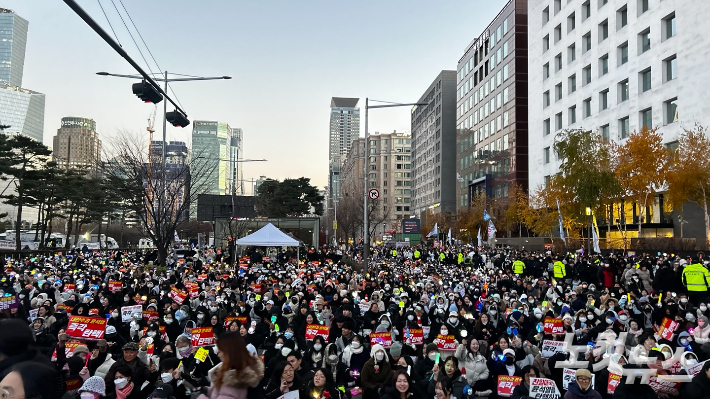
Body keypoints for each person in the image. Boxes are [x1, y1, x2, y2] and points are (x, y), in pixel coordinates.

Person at [197, 331, 264, 399]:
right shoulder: (236, 371)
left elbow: (226, 393)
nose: (218, 354)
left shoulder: (235, 381)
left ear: (229, 352)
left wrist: (199, 397)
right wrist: (206, 390)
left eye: (220, 351)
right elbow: (220, 393)